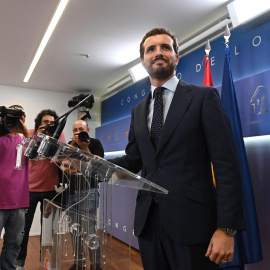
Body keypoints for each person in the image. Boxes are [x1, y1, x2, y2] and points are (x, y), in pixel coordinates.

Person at [108, 28, 246, 270]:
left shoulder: (204, 98)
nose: (158, 53)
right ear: (143, 61)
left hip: (194, 224)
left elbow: (227, 166)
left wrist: (226, 228)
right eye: (151, 49)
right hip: (149, 224)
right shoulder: (138, 111)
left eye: (165, 47)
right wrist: (89, 162)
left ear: (176, 57)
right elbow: (133, 160)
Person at [15, 109, 66, 269]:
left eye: (51, 122)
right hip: (29, 190)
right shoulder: (30, 133)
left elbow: (58, 157)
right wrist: (36, 136)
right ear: (39, 123)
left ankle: (46, 262)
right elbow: (24, 154)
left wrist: (50, 139)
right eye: (45, 122)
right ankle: (18, 262)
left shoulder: (58, 136)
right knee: (23, 229)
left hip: (51, 190)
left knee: (47, 231)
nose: (48, 125)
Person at [67, 120, 104, 270]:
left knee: (89, 231)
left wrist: (85, 147)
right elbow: (65, 161)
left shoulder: (95, 143)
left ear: (87, 129)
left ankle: (95, 264)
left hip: (89, 192)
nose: (77, 132)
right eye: (75, 129)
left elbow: (98, 165)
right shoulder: (70, 144)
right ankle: (79, 263)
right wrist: (72, 145)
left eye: (80, 129)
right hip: (72, 192)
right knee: (75, 231)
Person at [0, 105, 31, 270]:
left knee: (13, 244)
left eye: (20, 115)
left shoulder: (26, 141)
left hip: (19, 201)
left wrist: (25, 132)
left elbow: (38, 155)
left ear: (24, 118)